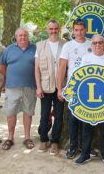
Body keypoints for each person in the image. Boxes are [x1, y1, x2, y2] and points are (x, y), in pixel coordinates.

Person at [74, 34, 104, 168]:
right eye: (94, 43)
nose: (97, 45)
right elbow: (80, 78)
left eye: (100, 42)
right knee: (86, 128)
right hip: (88, 100)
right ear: (91, 45)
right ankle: (85, 154)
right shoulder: (86, 58)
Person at [57, 19, 92, 159]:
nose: (79, 32)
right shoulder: (68, 46)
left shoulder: (92, 44)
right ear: (73, 31)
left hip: (89, 88)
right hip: (73, 88)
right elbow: (62, 68)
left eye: (81, 29)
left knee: (87, 119)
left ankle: (86, 148)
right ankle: (73, 147)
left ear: (85, 30)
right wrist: (60, 88)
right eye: (76, 30)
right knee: (72, 119)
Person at [0, 28, 37, 150]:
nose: (22, 37)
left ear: (28, 36)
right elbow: (2, 67)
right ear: (16, 37)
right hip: (12, 87)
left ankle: (27, 137)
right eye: (20, 35)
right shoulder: (9, 49)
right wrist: (10, 77)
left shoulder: (35, 48)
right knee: (11, 112)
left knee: (28, 112)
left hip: (30, 86)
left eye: (25, 35)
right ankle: (10, 138)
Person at [35, 20, 66, 155]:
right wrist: (38, 87)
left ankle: (55, 142)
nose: (53, 31)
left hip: (61, 87)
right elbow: (36, 68)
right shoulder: (40, 46)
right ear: (47, 30)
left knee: (59, 116)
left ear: (58, 29)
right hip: (46, 87)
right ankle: (43, 139)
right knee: (44, 114)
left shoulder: (65, 45)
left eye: (55, 29)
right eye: (51, 29)